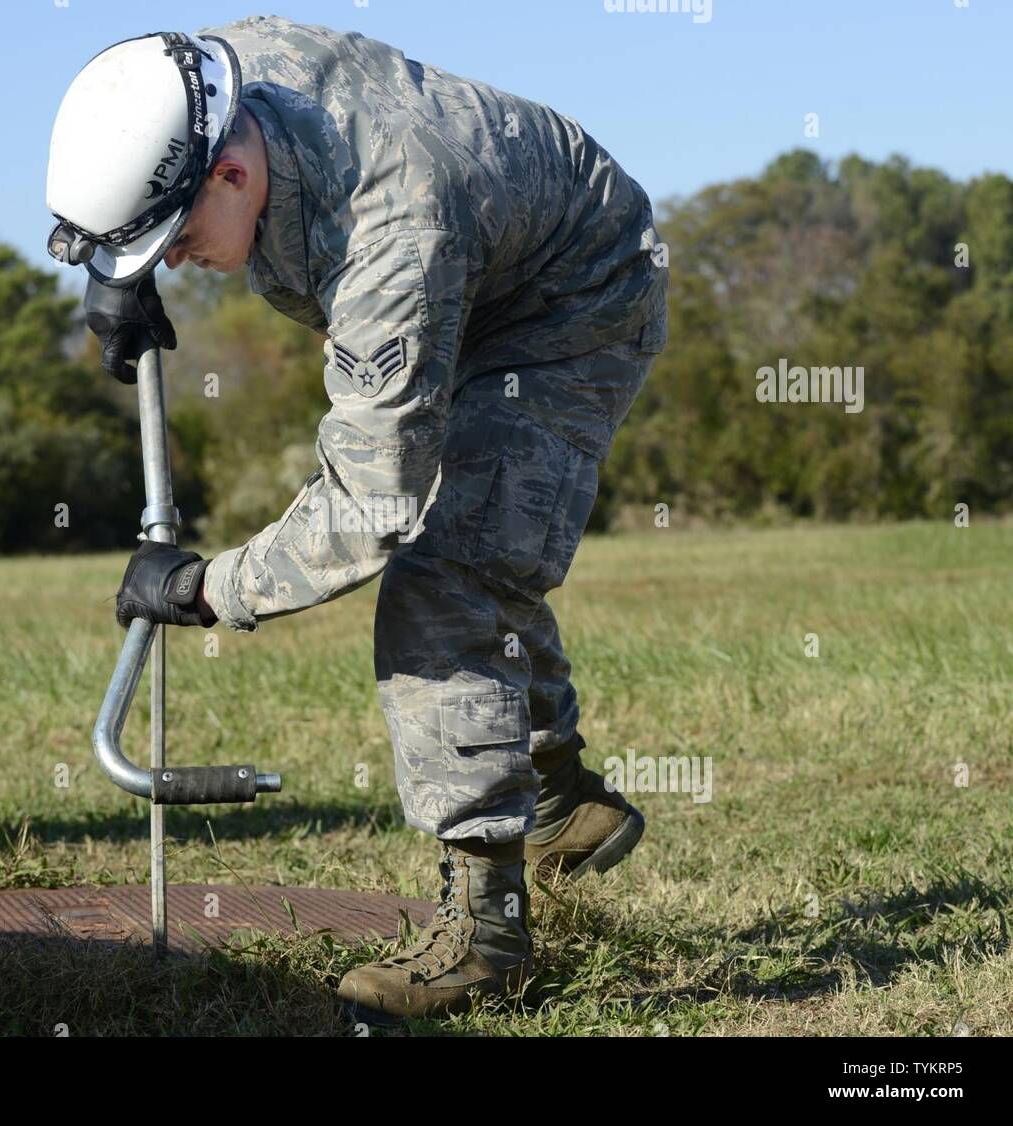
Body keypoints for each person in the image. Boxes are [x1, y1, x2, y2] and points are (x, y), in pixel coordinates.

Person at [45, 16, 667, 1022]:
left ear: (233, 179)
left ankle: (487, 930)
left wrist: (212, 589)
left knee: (445, 578)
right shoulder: (207, 81)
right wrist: (115, 269)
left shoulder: (393, 236)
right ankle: (561, 804)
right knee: (479, 561)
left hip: (569, 307)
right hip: (481, 273)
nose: (185, 264)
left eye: (178, 242)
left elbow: (372, 503)